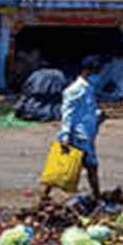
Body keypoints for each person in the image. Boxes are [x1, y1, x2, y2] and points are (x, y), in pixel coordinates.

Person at [43, 55, 105, 202]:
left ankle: (45, 195)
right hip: (77, 136)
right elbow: (68, 115)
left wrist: (98, 116)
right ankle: (97, 197)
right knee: (90, 167)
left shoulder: (89, 88)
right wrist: (65, 136)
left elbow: (85, 112)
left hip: (86, 135)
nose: (97, 75)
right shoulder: (74, 90)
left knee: (66, 166)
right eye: (95, 71)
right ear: (86, 71)